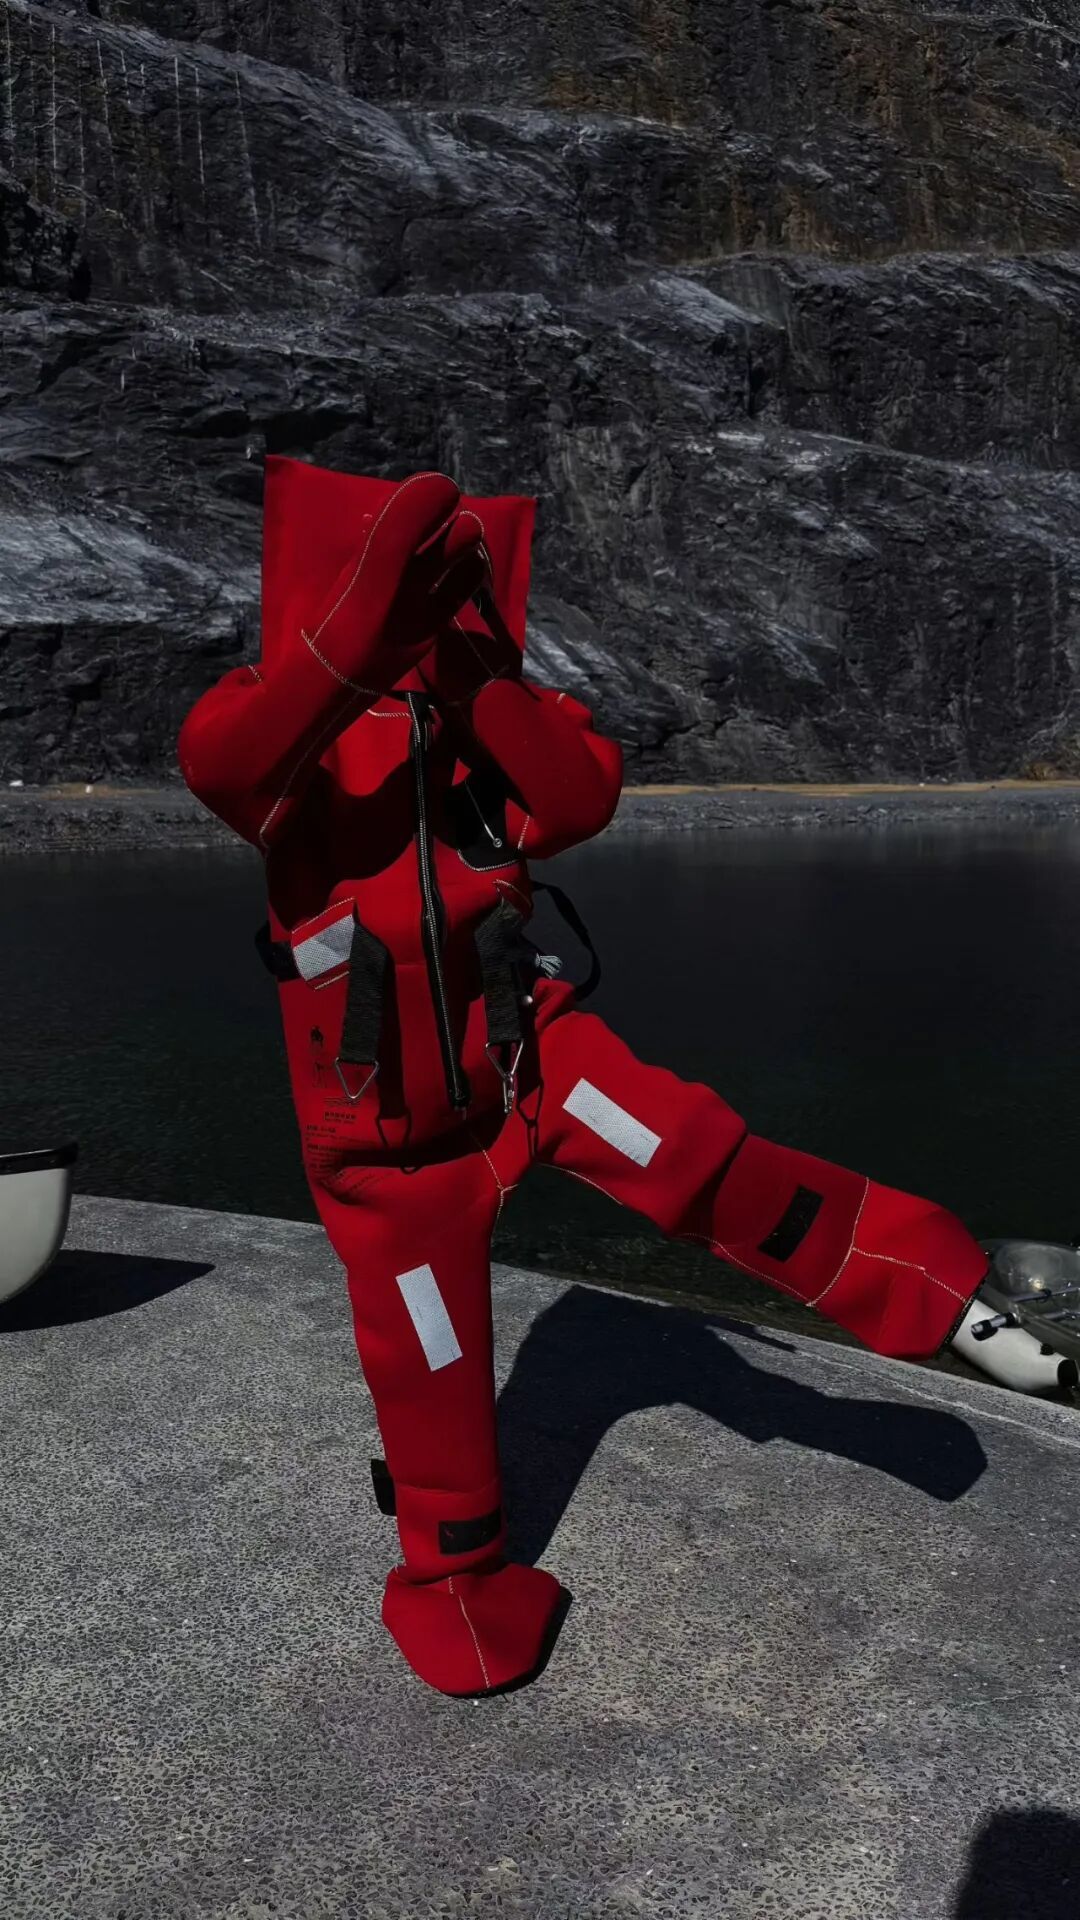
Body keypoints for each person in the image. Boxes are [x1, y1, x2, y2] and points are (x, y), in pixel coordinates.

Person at [177, 455, 1040, 1698]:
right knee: (430, 1362)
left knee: (693, 1155)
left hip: (532, 1059)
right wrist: (352, 642)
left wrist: (469, 675)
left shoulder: (480, 725)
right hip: (390, 1141)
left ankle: (924, 1283)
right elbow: (226, 764)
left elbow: (579, 796)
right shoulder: (285, 744)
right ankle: (458, 1580)